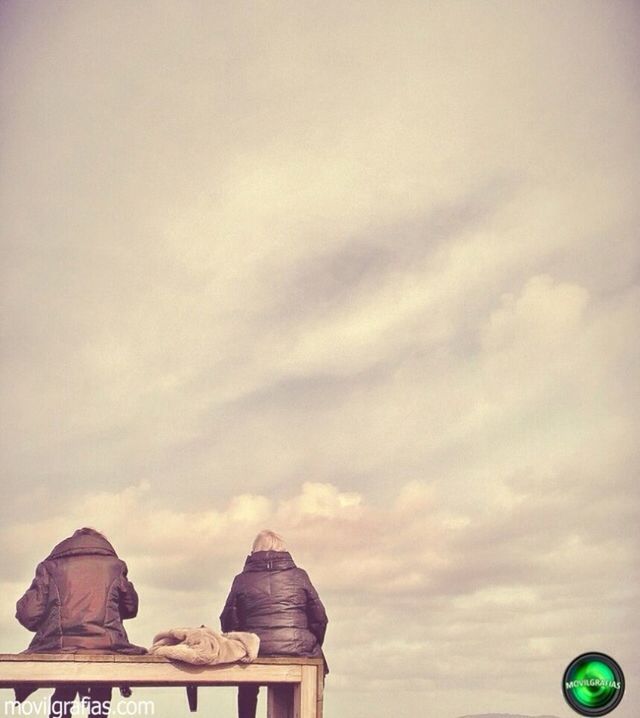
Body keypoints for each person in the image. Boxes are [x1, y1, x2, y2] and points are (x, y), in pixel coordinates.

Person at [15, 527, 145, 718]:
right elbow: (130, 609)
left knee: (64, 690)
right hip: (105, 646)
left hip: (59, 648)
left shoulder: (50, 567)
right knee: (101, 685)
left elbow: (28, 614)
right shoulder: (115, 567)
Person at [220, 530, 328, 718]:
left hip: (255, 651)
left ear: (254, 552)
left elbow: (227, 619)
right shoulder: (300, 576)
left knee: (247, 682)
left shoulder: (242, 579)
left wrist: (241, 640)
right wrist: (311, 643)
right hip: (298, 649)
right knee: (315, 666)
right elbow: (320, 618)